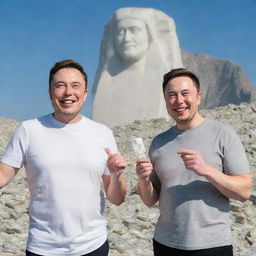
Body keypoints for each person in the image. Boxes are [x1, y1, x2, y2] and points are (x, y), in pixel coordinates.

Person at [0, 60, 127, 256]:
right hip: (43, 247)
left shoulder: (103, 133)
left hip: (92, 245)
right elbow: (2, 175)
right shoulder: (28, 130)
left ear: (85, 94)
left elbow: (117, 199)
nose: (68, 92)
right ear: (50, 92)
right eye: (60, 85)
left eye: (75, 86)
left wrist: (117, 175)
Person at [136, 68, 252, 256]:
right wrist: (143, 180)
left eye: (185, 93)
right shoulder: (159, 142)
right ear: (165, 100)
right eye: (172, 95)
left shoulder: (223, 133)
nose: (179, 101)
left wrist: (207, 170)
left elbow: (244, 191)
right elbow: (150, 199)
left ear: (198, 97)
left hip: (212, 246)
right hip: (165, 244)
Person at [92, 7, 183, 127]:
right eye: (120, 32)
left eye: (134, 30)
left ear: (149, 35)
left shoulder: (163, 83)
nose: (126, 39)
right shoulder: (106, 84)